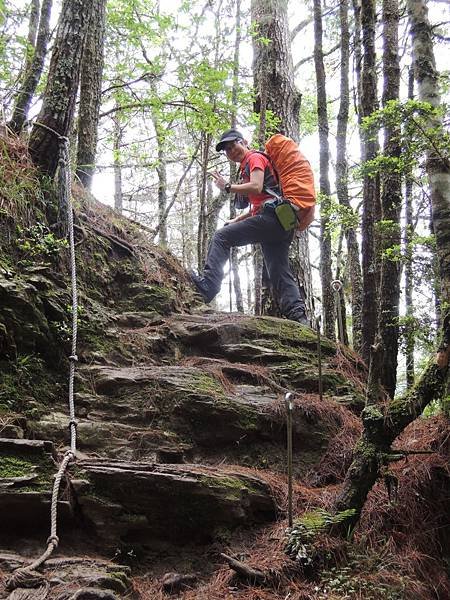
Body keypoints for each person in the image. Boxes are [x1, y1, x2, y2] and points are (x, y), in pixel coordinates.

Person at [190, 128, 308, 326]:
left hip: (272, 220)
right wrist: (236, 220)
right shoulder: (249, 163)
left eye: (233, 145)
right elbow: (263, 201)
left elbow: (256, 187)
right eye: (226, 150)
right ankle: (299, 317)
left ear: (243, 142)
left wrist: (228, 187)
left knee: (221, 237)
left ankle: (208, 286)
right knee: (279, 271)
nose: (231, 151)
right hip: (280, 224)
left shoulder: (254, 158)